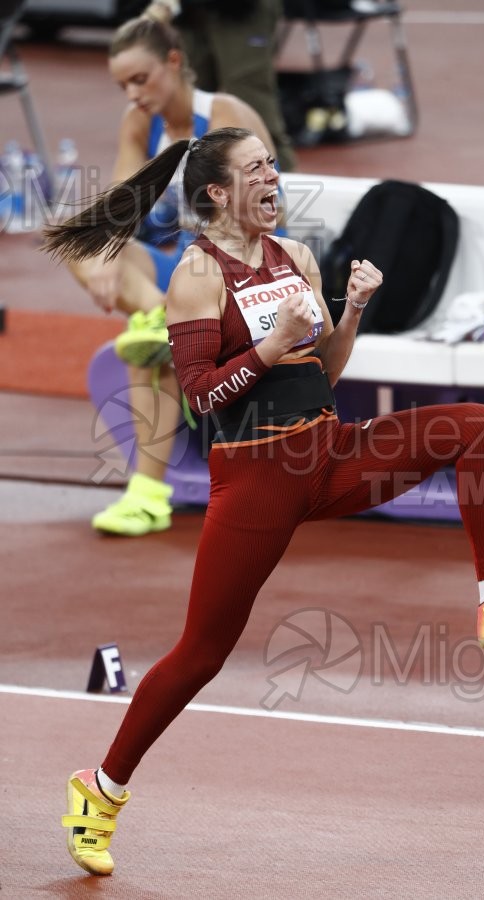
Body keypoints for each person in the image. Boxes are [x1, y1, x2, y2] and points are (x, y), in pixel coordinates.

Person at [42, 127, 484, 877]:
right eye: (257, 166)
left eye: (272, 162)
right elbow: (198, 395)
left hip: (325, 453)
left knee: (476, 426)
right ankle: (98, 789)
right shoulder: (198, 275)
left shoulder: (294, 257)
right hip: (255, 477)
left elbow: (321, 371)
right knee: (201, 654)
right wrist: (266, 347)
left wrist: (351, 311)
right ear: (219, 193)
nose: (273, 174)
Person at [66, 15, 281, 536]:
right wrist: (108, 255)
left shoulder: (227, 115)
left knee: (163, 338)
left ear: (174, 63)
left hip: (244, 275)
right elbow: (116, 210)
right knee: (79, 247)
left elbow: (264, 221)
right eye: (123, 86)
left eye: (141, 80)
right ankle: (154, 318)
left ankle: (148, 496)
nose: (133, 94)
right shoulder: (140, 122)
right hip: (181, 278)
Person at [142, 0, 297, 172]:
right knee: (187, 100)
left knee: (251, 101)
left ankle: (281, 184)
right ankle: (183, 187)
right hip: (189, 11)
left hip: (243, 9)